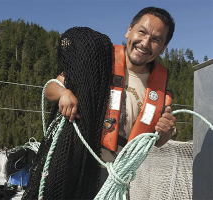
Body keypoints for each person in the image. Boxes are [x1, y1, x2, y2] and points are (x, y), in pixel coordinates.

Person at [23, 7, 177, 200]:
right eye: (142, 32)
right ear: (129, 30)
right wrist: (63, 93)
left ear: (163, 48)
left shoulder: (160, 90)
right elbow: (51, 88)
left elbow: (159, 141)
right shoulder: (99, 58)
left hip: (118, 178)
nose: (145, 43)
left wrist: (166, 132)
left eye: (156, 39)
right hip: (78, 167)